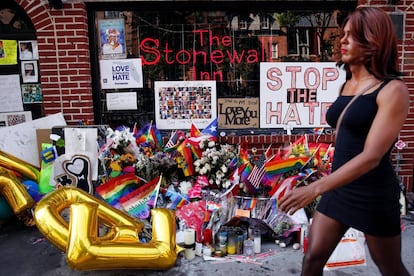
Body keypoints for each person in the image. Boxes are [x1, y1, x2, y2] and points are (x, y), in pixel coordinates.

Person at [278, 6, 410, 276]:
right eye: (343, 34)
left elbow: (372, 155)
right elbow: (348, 135)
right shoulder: (346, 85)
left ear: (373, 40)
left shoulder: (393, 90)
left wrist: (314, 189)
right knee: (313, 258)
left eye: (353, 35)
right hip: (339, 188)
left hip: (372, 194)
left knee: (390, 268)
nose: (343, 40)